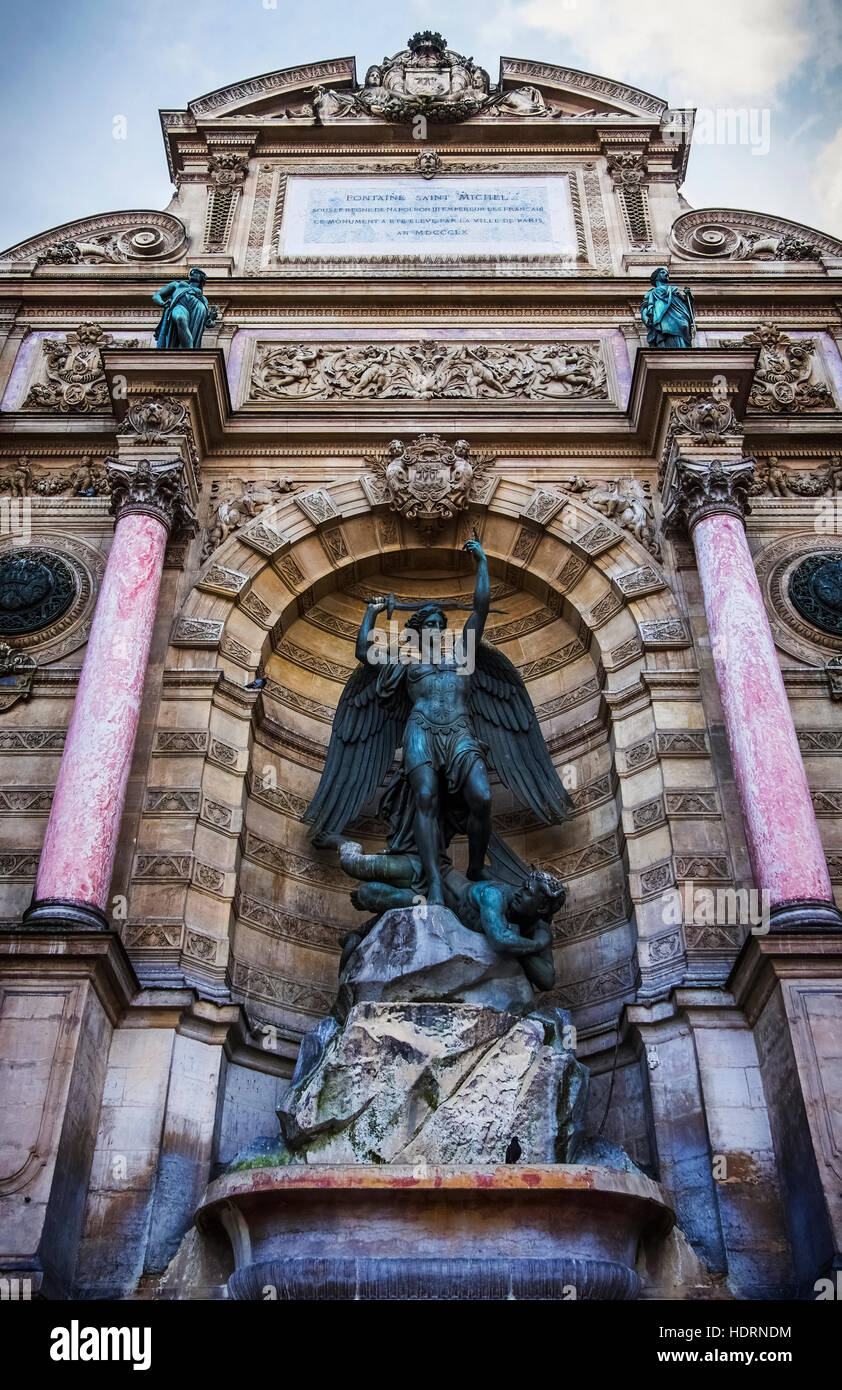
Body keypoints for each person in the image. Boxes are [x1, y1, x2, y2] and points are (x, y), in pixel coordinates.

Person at [152, 267, 218, 350]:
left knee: (188, 331)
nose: (193, 272)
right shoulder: (177, 285)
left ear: (202, 278)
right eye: (192, 272)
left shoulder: (203, 299)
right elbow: (156, 295)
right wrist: (162, 303)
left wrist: (211, 318)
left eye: (196, 272)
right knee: (180, 318)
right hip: (180, 305)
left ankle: (188, 351)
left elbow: (209, 323)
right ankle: (189, 350)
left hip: (196, 313)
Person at [640, 267, 695, 349]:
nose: (666, 274)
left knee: (681, 339)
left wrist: (688, 296)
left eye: (667, 273)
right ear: (656, 277)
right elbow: (644, 307)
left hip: (680, 317)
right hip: (663, 318)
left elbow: (685, 303)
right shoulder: (651, 293)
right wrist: (646, 318)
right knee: (667, 337)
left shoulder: (674, 289)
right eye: (662, 272)